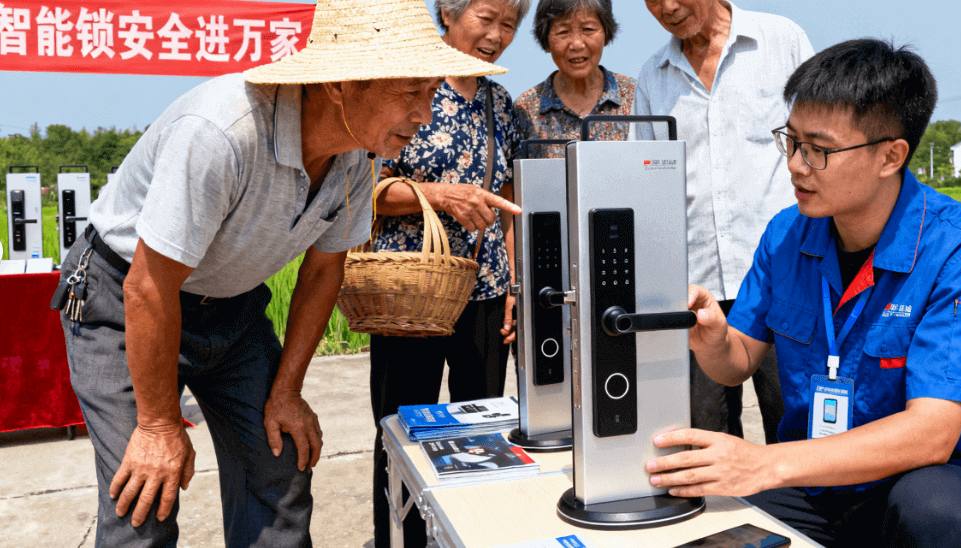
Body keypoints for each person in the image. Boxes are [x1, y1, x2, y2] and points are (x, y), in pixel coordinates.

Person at [53, 0, 505, 545]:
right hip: (122, 301)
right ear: (340, 84)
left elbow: (322, 273)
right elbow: (149, 286)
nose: (425, 115)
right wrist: (157, 425)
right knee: (145, 494)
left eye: (431, 93)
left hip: (231, 307)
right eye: (411, 93)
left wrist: (287, 390)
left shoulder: (355, 160)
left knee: (281, 464)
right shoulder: (222, 132)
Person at [646, 39, 961, 547]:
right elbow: (738, 361)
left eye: (818, 149)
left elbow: (931, 434)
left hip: (936, 481)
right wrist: (715, 340)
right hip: (818, 480)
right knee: (706, 523)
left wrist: (762, 462)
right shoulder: (787, 235)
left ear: (890, 156)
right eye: (789, 140)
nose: (795, 164)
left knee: (934, 512)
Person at [367, 0, 529, 545]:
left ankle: (468, 534)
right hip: (407, 293)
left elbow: (510, 203)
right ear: (448, 14)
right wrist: (439, 197)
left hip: (482, 292)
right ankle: (402, 538)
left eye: (509, 24)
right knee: (402, 428)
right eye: (487, 18)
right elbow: (364, 191)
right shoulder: (405, 89)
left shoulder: (501, 106)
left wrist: (513, 286)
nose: (497, 34)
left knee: (479, 429)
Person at [634, 0, 814, 444]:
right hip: (697, 287)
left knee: (795, 421)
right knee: (705, 430)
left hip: (784, 276)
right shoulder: (653, 76)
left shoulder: (782, 42)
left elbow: (823, 140)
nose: (668, 7)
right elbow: (646, 184)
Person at [513, 0, 635, 154]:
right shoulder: (525, 108)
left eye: (588, 29)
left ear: (606, 32)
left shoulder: (634, 96)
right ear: (546, 38)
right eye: (563, 32)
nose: (577, 44)